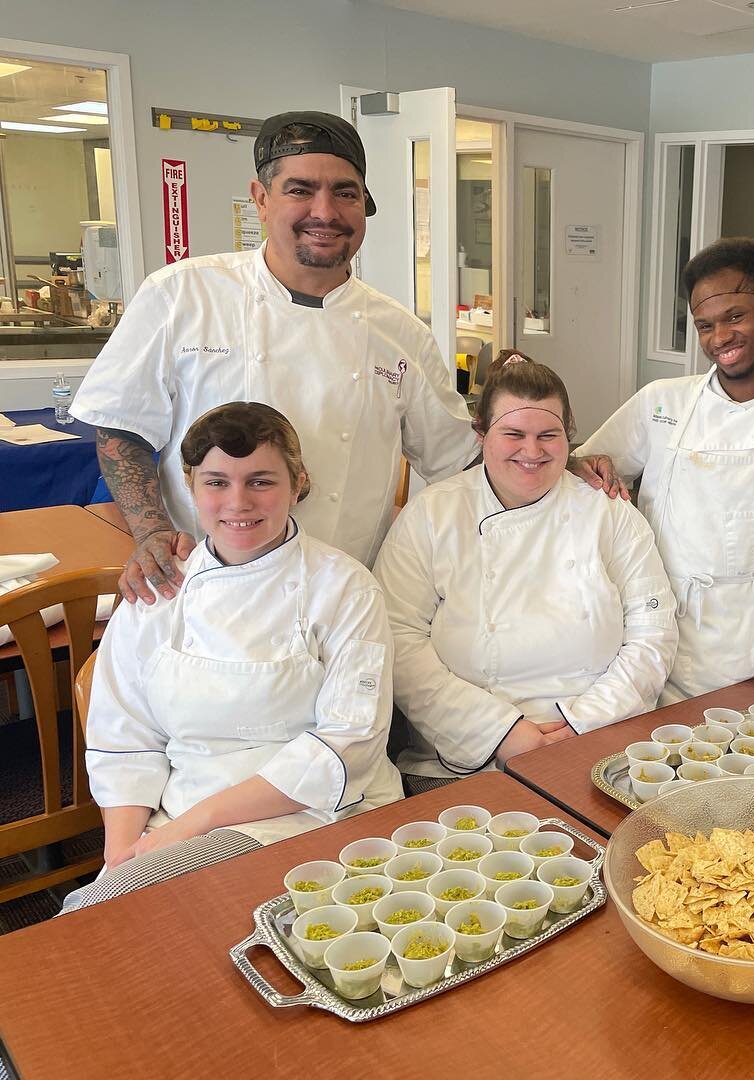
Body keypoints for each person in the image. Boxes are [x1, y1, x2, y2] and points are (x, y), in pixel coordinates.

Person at [72, 110, 474, 603]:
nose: (325, 212)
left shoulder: (401, 333)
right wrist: (152, 532)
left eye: (345, 193)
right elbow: (119, 428)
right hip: (204, 586)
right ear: (261, 200)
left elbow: (458, 460)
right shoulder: (182, 294)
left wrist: (564, 462)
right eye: (300, 190)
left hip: (342, 596)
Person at [65, 403, 402, 911]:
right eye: (217, 482)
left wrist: (187, 829)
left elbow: (348, 744)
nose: (238, 502)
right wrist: (120, 861)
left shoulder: (345, 589)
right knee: (105, 914)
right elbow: (124, 737)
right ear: (189, 485)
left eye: (260, 481)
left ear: (298, 482)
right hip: (175, 818)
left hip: (308, 814)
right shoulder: (159, 586)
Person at [373, 354, 677, 791]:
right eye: (513, 434)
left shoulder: (608, 512)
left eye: (548, 435)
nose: (532, 452)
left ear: (569, 437)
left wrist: (580, 725)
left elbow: (653, 635)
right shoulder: (434, 513)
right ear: (481, 433)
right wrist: (499, 731)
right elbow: (397, 636)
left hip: (598, 741)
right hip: (465, 751)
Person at [571, 237, 754, 702]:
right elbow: (582, 470)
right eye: (705, 325)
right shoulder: (662, 402)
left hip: (738, 644)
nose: (719, 338)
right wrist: (586, 465)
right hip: (645, 625)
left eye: (734, 317)